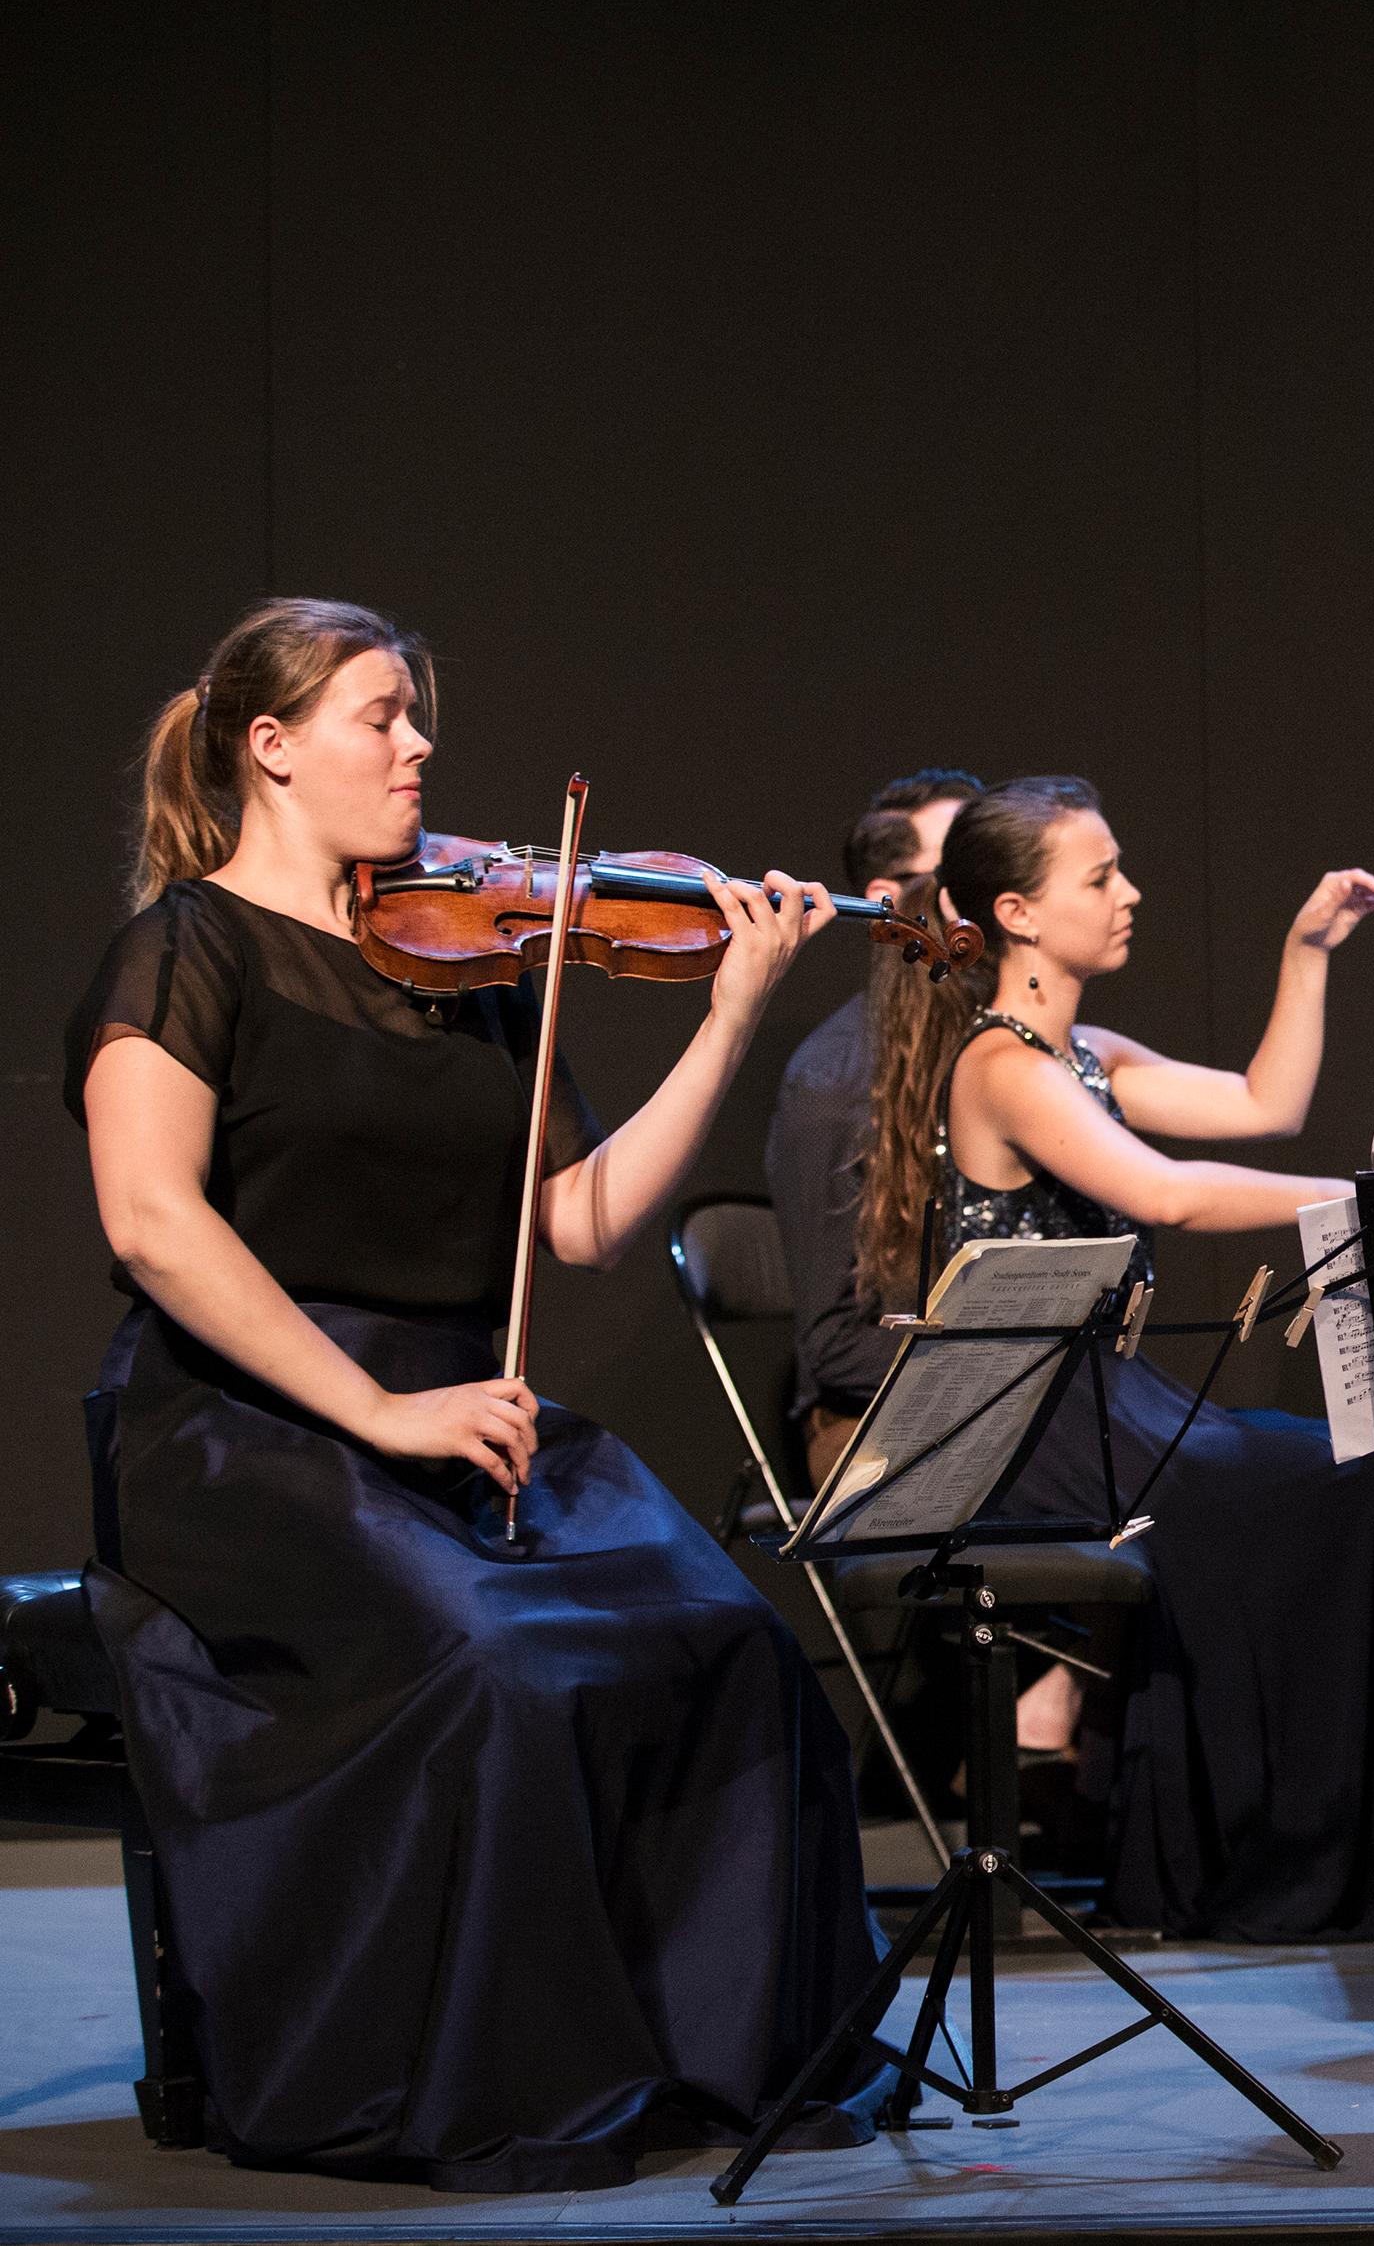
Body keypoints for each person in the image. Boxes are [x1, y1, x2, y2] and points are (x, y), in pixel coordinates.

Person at [68, 598, 877, 2190]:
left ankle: (697, 2057)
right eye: (382, 715)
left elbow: (576, 1222)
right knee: (494, 1662)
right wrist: (373, 1415)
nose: (419, 743)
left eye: (415, 715)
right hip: (245, 1427)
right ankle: (491, 2070)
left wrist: (728, 1018)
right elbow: (153, 1222)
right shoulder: (184, 949)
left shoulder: (474, 964)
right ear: (273, 746)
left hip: (455, 1407)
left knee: (731, 1643)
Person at [856, 774, 1374, 1939]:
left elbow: (1266, 1103)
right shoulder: (1003, 1066)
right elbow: (1169, 1194)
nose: (1129, 892)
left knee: (1364, 1469)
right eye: (1099, 876)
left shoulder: (1082, 1047)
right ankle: (1250, 1855)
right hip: (1028, 1418)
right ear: (1017, 915)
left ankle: (1357, 1847)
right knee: (1311, 1489)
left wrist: (1306, 952)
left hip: (1111, 1400)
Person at [768, 768, 982, 1482]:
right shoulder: (832, 1081)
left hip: (1004, 1391)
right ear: (890, 903)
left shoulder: (1007, 1046)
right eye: (964, 872)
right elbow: (833, 1345)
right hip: (877, 1420)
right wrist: (1003, 1365)